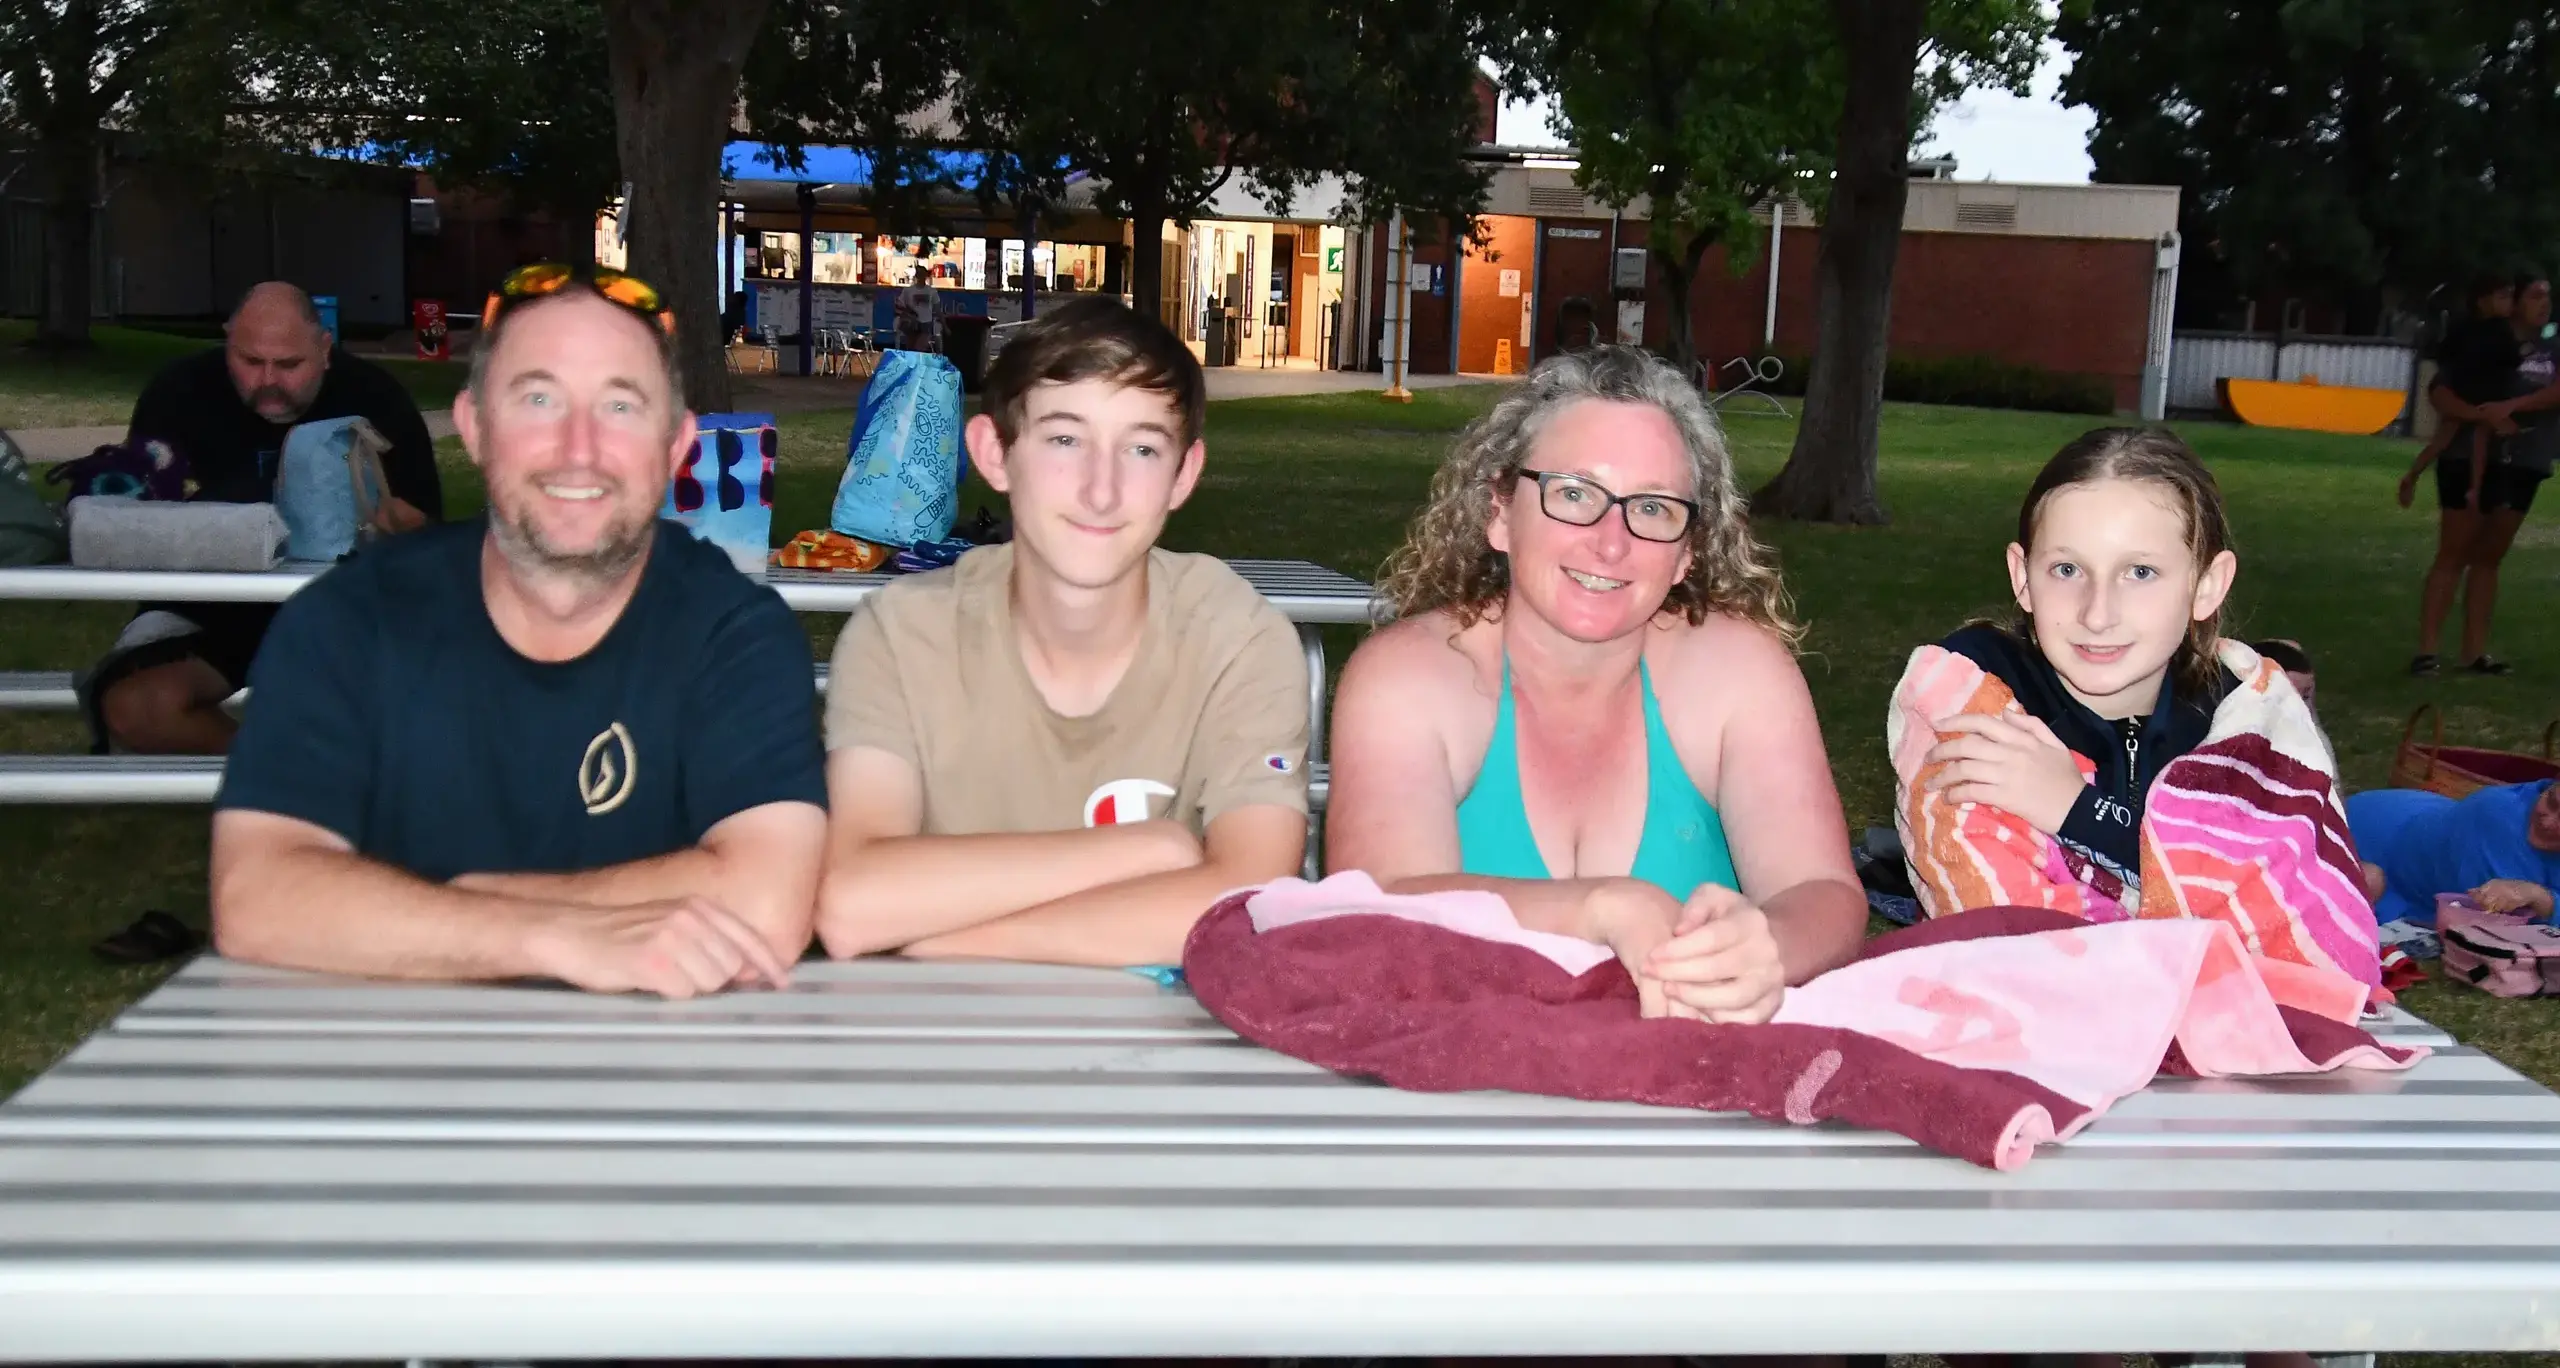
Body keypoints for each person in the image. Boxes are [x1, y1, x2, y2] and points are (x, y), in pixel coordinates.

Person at [209, 264, 827, 999]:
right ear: (474, 427)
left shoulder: (735, 635)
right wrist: (545, 937)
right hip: (385, 1072)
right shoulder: (349, 620)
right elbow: (255, 896)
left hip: (660, 1076)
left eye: (621, 406)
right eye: (539, 398)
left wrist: (439, 909)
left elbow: (769, 903)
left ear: (675, 446)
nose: (578, 448)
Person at [1322, 346, 1866, 1027]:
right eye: (1574, 494)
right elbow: (1375, 909)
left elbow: (1822, 892)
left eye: (1653, 508)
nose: (1611, 543)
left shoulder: (1738, 675)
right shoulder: (1410, 681)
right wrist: (1598, 909)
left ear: (1687, 551)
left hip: (1692, 1107)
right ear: (1499, 511)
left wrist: (1767, 950)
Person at [816, 295, 1309, 968]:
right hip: (935, 1036)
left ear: (1182, 475)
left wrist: (951, 937)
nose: (1100, 490)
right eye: (1064, 439)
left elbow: (1251, 904)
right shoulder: (903, 634)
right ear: (994, 453)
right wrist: (1151, 851)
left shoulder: (1239, 639)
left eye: (1140, 447)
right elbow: (849, 906)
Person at [1887, 428, 2378, 999]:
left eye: (2140, 572)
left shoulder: (2245, 718)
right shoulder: (1975, 693)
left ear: (2206, 585)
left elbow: (2309, 937)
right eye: (2067, 570)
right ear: (2023, 576)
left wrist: (2077, 812)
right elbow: (2007, 943)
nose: (2098, 614)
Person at [80, 282, 443, 755]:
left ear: (325, 350)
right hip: (208, 610)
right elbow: (142, 518)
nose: (268, 380)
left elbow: (428, 523)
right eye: (250, 362)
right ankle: (298, 776)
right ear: (228, 341)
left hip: (342, 609)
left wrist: (372, 512)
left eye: (290, 365)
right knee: (136, 709)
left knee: (421, 699)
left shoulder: (373, 396)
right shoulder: (179, 392)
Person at [2404, 270, 2559, 676]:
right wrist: (2479, 415)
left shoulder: (2552, 347)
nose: (2544, 303)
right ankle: (2427, 651)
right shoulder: (2481, 341)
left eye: (2548, 296)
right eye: (2535, 295)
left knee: (2490, 557)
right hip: (2467, 457)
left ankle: (2474, 652)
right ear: (2514, 301)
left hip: (2525, 461)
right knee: (2453, 552)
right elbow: (2440, 392)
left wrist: (2511, 409)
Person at [2351, 779, 2560, 925]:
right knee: (2367, 882)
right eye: (2551, 802)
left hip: (2418, 830)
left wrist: (2541, 897)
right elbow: (2483, 916)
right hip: (2373, 831)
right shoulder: (2498, 815)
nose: (2548, 822)